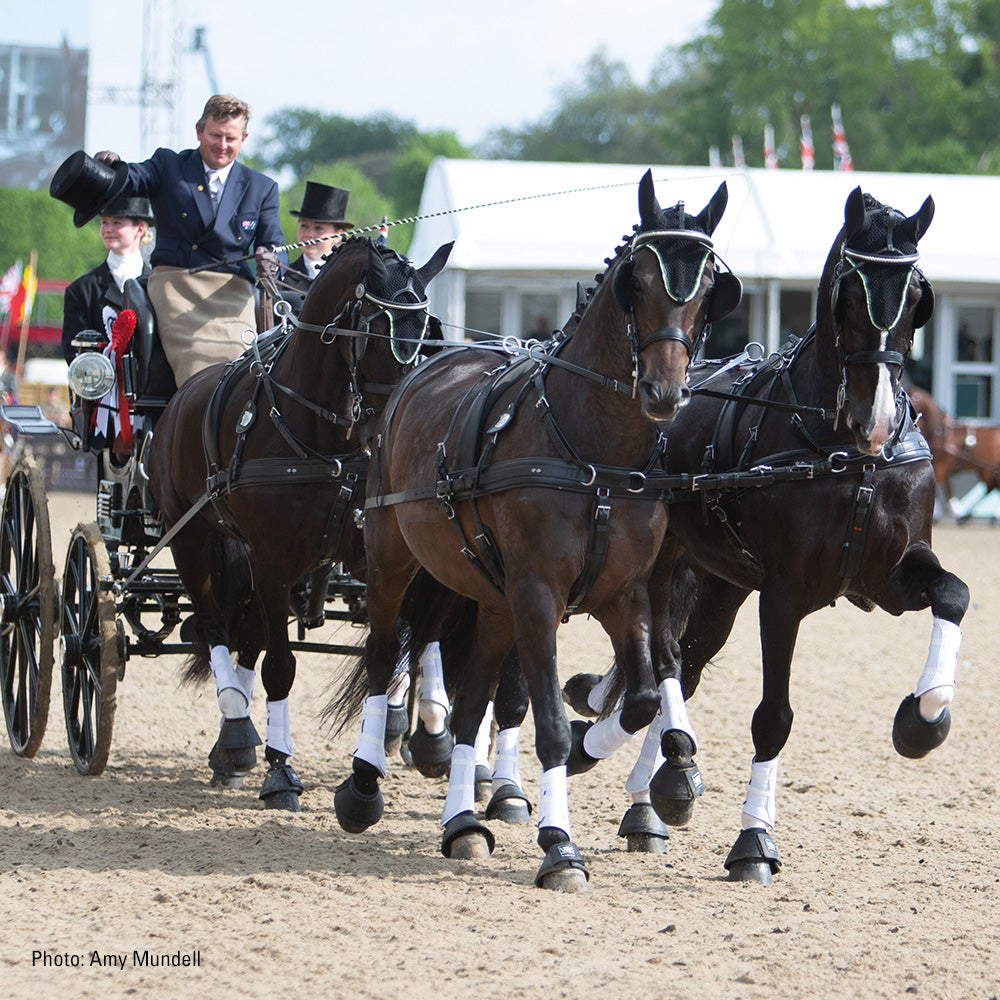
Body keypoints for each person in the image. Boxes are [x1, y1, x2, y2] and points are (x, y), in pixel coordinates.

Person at [51, 94, 286, 386]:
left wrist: (272, 261)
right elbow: (133, 178)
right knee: (198, 364)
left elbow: (275, 243)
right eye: (215, 135)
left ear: (244, 138)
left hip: (233, 292)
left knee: (247, 369)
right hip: (177, 284)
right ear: (199, 131)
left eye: (231, 138)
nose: (222, 145)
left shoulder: (262, 187)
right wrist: (111, 168)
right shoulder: (169, 165)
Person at [60, 194, 154, 363]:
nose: (108, 229)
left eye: (116, 222)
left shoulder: (157, 284)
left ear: (139, 229)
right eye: (104, 222)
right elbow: (73, 351)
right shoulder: (81, 290)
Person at [282, 182, 354, 293]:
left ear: (338, 236)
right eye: (304, 226)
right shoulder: (284, 279)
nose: (309, 234)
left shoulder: (350, 277)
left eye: (318, 228)